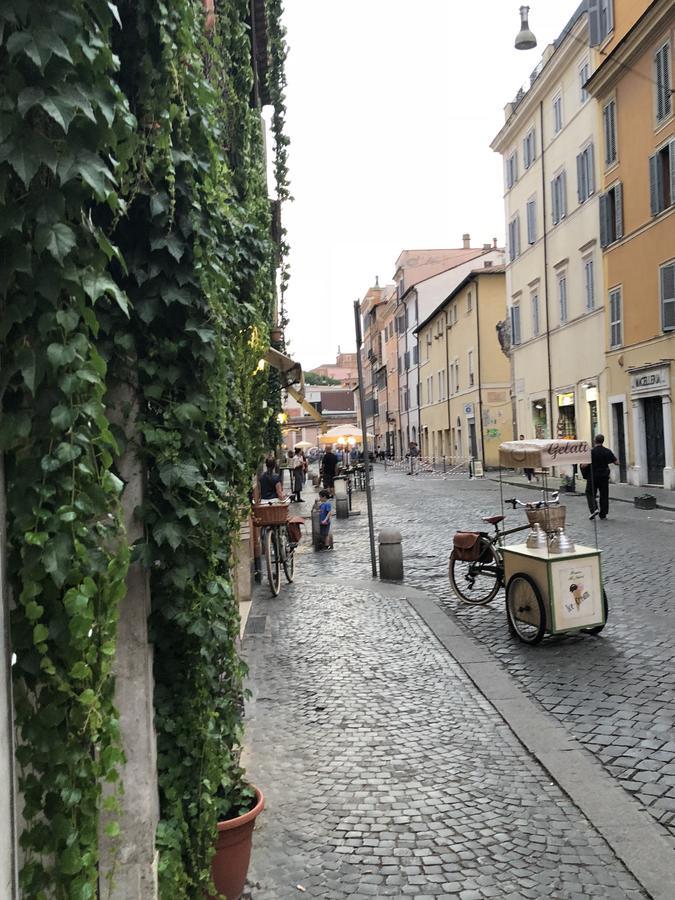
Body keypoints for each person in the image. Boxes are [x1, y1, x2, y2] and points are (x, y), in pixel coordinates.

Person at [582, 434, 618, 520]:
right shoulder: (607, 451)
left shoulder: (591, 452)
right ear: (603, 441)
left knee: (590, 493)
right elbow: (617, 462)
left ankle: (594, 509)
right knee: (604, 495)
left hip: (593, 476)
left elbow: (584, 465)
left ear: (595, 441)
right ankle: (603, 514)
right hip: (604, 476)